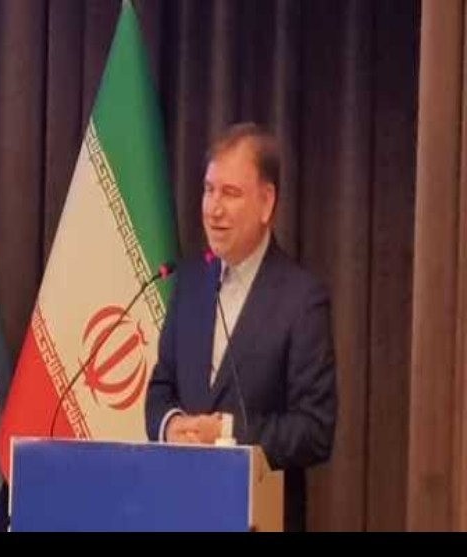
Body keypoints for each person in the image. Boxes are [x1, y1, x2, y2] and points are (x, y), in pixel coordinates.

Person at [145, 122, 337, 532]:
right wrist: (171, 425)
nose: (213, 209)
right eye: (208, 190)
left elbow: (315, 430)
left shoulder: (302, 299)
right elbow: (161, 388)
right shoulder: (190, 282)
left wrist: (227, 432)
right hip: (180, 513)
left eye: (230, 193)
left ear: (266, 203)